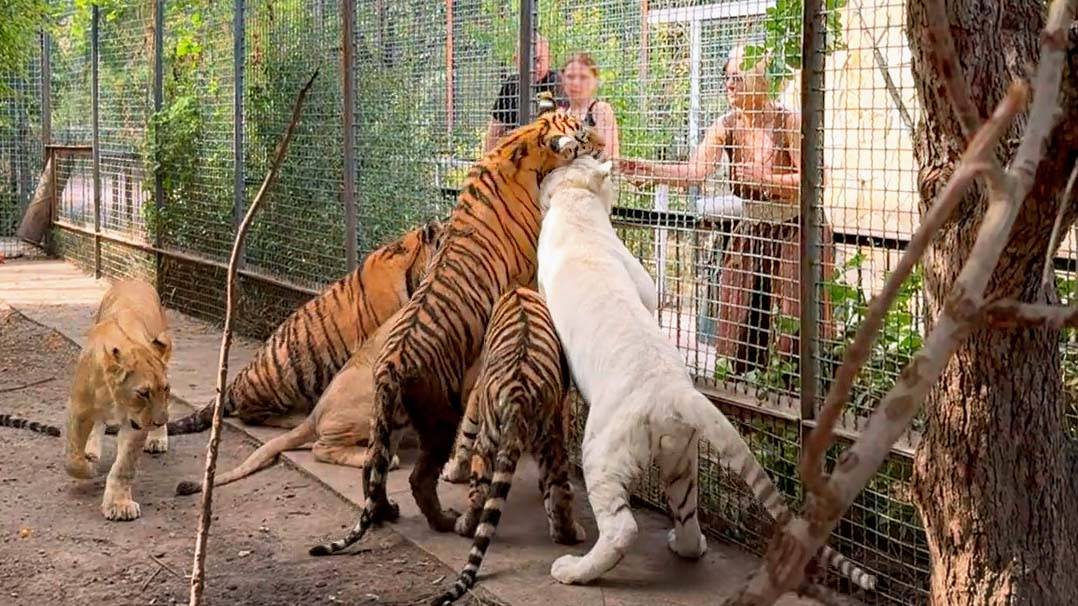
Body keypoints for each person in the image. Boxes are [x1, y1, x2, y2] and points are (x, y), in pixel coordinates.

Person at [618, 43, 834, 377]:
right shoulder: (727, 124)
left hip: (796, 228)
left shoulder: (787, 119)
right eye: (727, 77)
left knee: (795, 321)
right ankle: (744, 398)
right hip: (754, 226)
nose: (729, 84)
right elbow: (695, 172)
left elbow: (816, 181)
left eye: (738, 76)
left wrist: (766, 178)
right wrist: (649, 170)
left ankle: (797, 402)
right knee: (739, 314)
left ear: (761, 79)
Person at [483, 34, 565, 153]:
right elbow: (494, 130)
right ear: (516, 60)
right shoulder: (510, 85)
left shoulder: (558, 83)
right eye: (528, 60)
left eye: (539, 60)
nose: (534, 67)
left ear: (550, 60)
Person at [560, 52, 620, 160]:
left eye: (583, 77)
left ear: (595, 81)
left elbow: (609, 157)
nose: (576, 83)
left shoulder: (600, 110)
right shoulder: (562, 116)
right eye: (570, 77)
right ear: (563, 79)